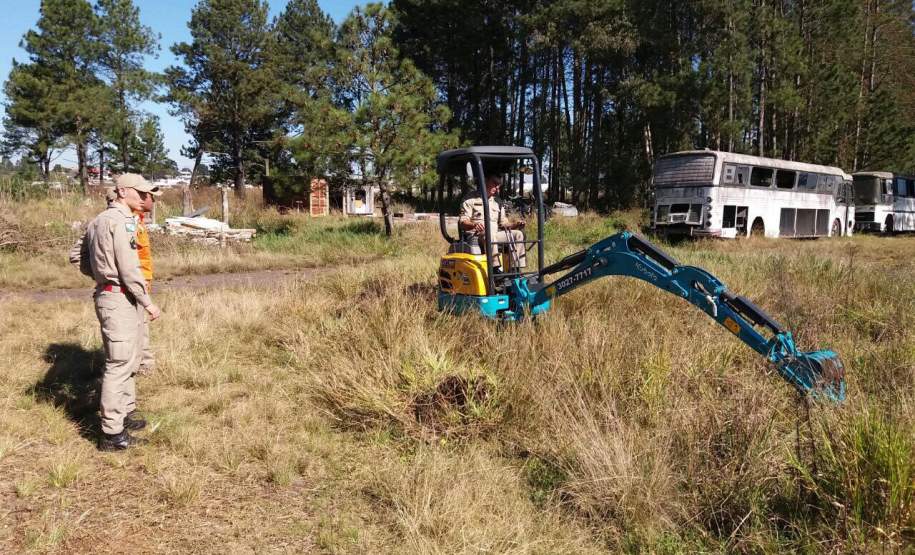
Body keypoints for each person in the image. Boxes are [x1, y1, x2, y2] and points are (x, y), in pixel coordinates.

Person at [81, 174, 162, 451]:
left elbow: (79, 260)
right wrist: (147, 301)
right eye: (141, 194)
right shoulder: (119, 222)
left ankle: (125, 415)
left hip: (115, 296)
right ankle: (112, 434)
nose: (145, 199)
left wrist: (102, 274)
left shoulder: (98, 220)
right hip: (119, 298)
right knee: (119, 366)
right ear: (124, 191)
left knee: (128, 360)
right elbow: (129, 269)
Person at [459, 168, 527, 269]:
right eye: (494, 183)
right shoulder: (470, 199)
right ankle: (494, 268)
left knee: (518, 234)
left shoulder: (497, 202)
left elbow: (503, 223)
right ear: (484, 181)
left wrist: (515, 225)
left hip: (494, 236)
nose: (497, 187)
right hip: (476, 237)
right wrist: (474, 225)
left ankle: (515, 269)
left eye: (499, 184)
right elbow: (463, 222)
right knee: (489, 234)